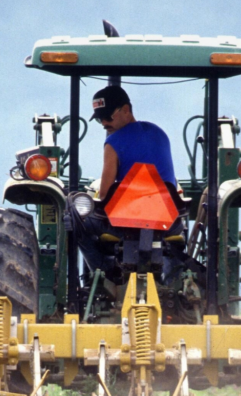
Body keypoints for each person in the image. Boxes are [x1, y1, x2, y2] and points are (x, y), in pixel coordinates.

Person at [69, 85, 186, 283]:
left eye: (108, 117)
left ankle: (105, 274)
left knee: (74, 218)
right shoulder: (160, 134)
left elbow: (104, 194)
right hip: (168, 224)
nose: (105, 123)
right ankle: (173, 281)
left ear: (126, 110)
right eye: (99, 119)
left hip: (125, 227)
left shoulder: (113, 142)